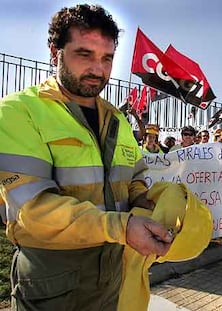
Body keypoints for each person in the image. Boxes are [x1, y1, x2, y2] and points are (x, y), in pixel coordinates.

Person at [0, 4, 173, 310]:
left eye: (107, 58)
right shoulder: (17, 112)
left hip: (112, 272)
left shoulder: (117, 120)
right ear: (55, 53)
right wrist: (123, 227)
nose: (98, 69)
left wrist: (146, 202)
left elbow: (133, 177)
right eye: (85, 55)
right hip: (52, 279)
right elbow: (35, 209)